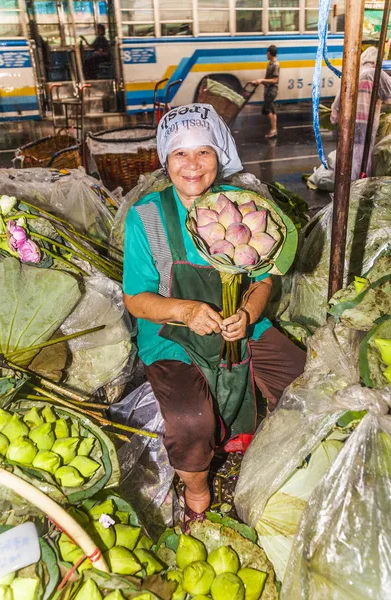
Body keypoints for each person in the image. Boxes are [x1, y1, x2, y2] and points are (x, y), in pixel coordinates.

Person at [122, 104, 305, 530]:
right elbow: (136, 299)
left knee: (300, 379)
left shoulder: (244, 207)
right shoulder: (146, 216)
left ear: (219, 155)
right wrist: (185, 310)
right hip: (170, 333)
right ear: (165, 160)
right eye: (179, 154)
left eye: (203, 152)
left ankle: (271, 460)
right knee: (189, 420)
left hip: (241, 324)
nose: (192, 165)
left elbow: (264, 279)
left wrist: (248, 310)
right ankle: (198, 489)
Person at [330, 45, 391, 180]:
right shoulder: (374, 73)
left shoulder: (355, 72)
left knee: (348, 154)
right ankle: (356, 186)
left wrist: (334, 117)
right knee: (362, 156)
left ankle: (344, 183)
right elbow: (389, 94)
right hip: (365, 124)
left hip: (348, 121)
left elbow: (338, 101)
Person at [253, 45, 280, 139]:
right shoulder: (270, 63)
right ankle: (274, 129)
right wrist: (259, 81)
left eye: (267, 53)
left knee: (266, 109)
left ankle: (273, 129)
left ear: (269, 53)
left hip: (271, 91)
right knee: (272, 109)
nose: (266, 55)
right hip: (268, 89)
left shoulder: (275, 65)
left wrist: (261, 80)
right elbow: (268, 79)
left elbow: (275, 80)